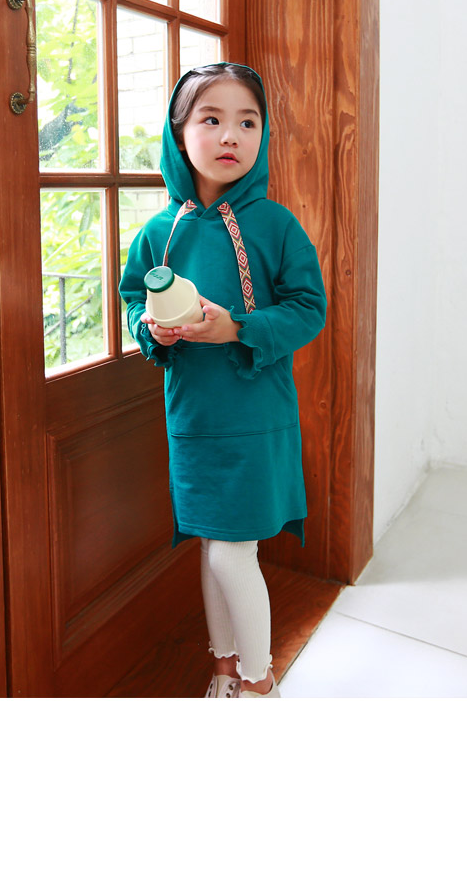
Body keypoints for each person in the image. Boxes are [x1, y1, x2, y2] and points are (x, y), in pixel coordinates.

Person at [119, 63, 327, 698]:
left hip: (256, 413)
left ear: (262, 134)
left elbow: (309, 308)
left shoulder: (277, 226)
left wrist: (236, 327)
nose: (231, 135)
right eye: (211, 119)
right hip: (192, 416)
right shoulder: (159, 233)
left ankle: (260, 683)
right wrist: (151, 330)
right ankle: (224, 670)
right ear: (179, 133)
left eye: (248, 121)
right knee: (212, 543)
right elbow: (134, 299)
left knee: (234, 549)